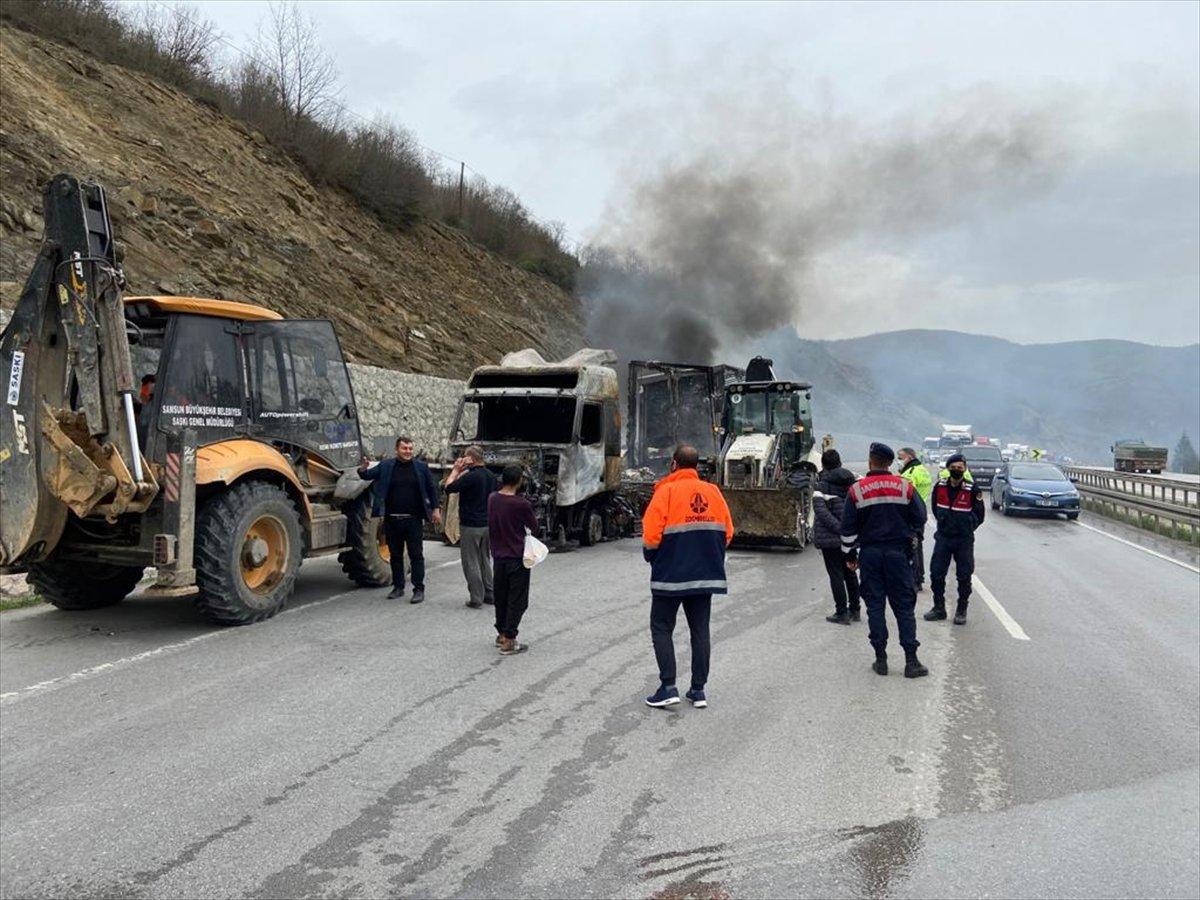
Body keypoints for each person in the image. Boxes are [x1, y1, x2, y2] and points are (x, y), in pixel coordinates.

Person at [641, 444, 734, 710]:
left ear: (673, 464)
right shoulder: (713, 492)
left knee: (661, 628)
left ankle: (668, 686)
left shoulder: (665, 491)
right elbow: (727, 532)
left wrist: (653, 558)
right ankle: (698, 690)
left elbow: (650, 536)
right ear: (697, 466)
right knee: (700, 631)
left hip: (670, 576)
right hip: (704, 577)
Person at [840, 442, 929, 678]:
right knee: (903, 608)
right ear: (890, 464)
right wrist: (911, 535)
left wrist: (850, 555)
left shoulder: (857, 490)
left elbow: (847, 529)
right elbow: (920, 517)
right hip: (898, 555)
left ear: (870, 461)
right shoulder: (905, 487)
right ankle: (911, 661)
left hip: (870, 556)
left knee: (875, 606)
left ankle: (881, 660)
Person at [358, 436, 442, 604]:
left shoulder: (421, 467)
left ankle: (418, 589)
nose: (408, 451)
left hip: (413, 520)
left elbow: (432, 489)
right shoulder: (386, 466)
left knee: (416, 555)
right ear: (396, 450)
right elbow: (367, 476)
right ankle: (398, 587)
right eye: (404, 448)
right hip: (392, 519)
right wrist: (362, 469)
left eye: (410, 448)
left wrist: (436, 509)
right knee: (395, 556)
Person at [924, 452, 986, 625]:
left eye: (960, 468)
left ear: (965, 469)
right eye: (953, 467)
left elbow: (979, 516)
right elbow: (936, 508)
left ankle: (961, 609)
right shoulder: (940, 486)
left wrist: (965, 526)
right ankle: (938, 608)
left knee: (964, 576)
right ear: (948, 468)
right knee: (936, 574)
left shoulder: (973, 490)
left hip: (964, 540)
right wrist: (945, 524)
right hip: (943, 537)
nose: (956, 470)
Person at [488, 464, 539, 655]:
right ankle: (509, 639)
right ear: (519, 481)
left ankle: (501, 633)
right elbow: (533, 526)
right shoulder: (521, 504)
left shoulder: (492, 498)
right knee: (517, 599)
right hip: (517, 557)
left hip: (498, 556)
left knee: (501, 597)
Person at [444, 446, 497, 609]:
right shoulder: (490, 476)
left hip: (470, 525)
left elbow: (449, 487)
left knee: (471, 561)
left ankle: (476, 597)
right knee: (485, 558)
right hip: (486, 523)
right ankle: (490, 592)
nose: (463, 459)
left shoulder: (470, 477)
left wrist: (455, 470)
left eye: (465, 457)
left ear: (471, 459)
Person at [812, 448, 860, 624]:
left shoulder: (821, 485)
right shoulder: (853, 482)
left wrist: (839, 529)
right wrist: (848, 530)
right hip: (851, 538)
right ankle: (855, 610)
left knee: (836, 575)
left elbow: (821, 512)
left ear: (823, 464)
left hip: (830, 540)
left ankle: (842, 612)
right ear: (840, 462)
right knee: (851, 573)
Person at [896, 447, 933, 593]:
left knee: (912, 547)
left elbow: (905, 496)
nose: (898, 461)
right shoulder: (922, 470)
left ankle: (915, 579)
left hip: (910, 515)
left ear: (909, 457)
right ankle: (919, 577)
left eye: (901, 457)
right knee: (918, 546)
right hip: (920, 512)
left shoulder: (909, 474)